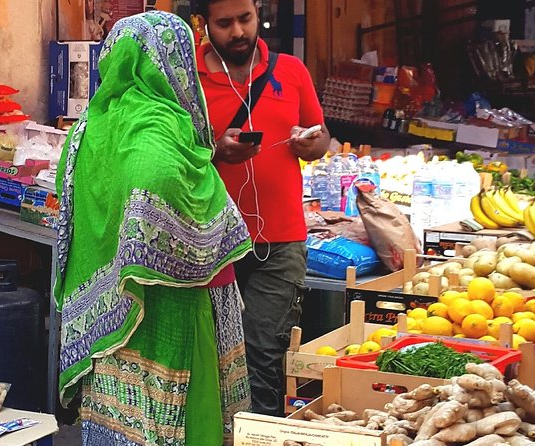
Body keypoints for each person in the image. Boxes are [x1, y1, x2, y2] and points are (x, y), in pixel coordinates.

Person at [55, 11, 252, 445]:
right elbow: (156, 176)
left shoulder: (88, 127)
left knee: (120, 417)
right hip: (170, 304)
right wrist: (162, 239)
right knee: (178, 419)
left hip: (107, 310)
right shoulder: (159, 123)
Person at [196, 0, 330, 416]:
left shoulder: (291, 70)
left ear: (257, 15)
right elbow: (172, 153)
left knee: (262, 354)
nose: (237, 31)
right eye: (224, 23)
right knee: (212, 358)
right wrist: (217, 151)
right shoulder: (188, 79)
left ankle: (260, 436)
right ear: (203, 24)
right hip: (210, 242)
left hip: (280, 241)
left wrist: (313, 144)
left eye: (245, 19)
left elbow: (322, 135)